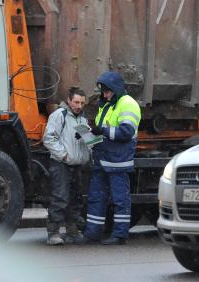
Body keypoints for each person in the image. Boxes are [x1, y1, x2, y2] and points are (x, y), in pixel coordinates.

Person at [82, 71, 141, 245]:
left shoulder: (128, 104)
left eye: (107, 91)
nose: (105, 94)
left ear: (115, 89)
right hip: (103, 159)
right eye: (103, 91)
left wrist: (102, 131)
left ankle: (120, 235)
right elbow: (105, 133)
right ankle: (92, 234)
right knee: (96, 197)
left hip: (118, 161)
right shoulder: (108, 104)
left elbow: (126, 132)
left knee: (120, 199)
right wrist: (89, 135)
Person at [43, 87, 91, 245]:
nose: (79, 106)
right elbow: (49, 138)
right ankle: (53, 233)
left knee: (75, 198)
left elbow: (89, 141)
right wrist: (63, 155)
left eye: (82, 103)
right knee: (60, 197)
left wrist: (95, 138)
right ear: (69, 100)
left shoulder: (82, 119)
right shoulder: (59, 115)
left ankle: (72, 231)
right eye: (76, 102)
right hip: (61, 164)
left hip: (76, 164)